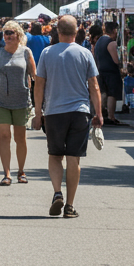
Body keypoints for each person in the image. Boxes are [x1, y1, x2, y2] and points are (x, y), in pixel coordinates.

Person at [33, 15, 101, 218]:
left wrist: (38, 113)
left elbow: (39, 85)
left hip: (55, 112)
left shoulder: (46, 53)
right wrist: (98, 113)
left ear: (57, 31)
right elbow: (94, 86)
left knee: (55, 155)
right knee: (74, 159)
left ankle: (57, 193)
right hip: (80, 112)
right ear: (77, 31)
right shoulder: (85, 53)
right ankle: (70, 205)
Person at [0, 20, 37, 185]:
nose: (7, 35)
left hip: (21, 100)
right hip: (0, 100)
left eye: (11, 32)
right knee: (4, 136)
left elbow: (34, 75)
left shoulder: (26, 52)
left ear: (18, 35)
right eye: (5, 33)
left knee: (20, 138)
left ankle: (21, 171)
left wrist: (40, 99)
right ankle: (6, 174)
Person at [94, 20, 125, 125]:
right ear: (114, 30)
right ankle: (111, 116)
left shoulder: (99, 41)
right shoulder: (111, 43)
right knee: (112, 94)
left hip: (100, 70)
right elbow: (116, 60)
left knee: (104, 92)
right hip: (111, 71)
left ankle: (101, 114)